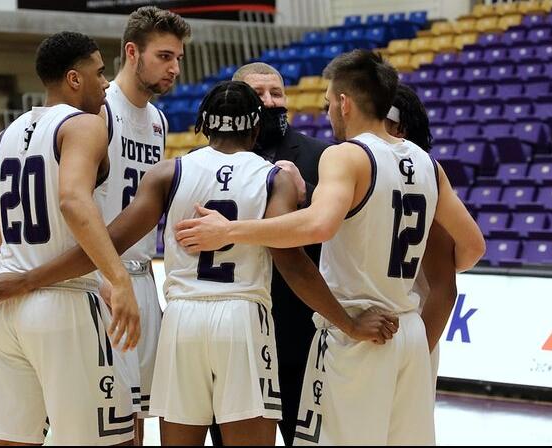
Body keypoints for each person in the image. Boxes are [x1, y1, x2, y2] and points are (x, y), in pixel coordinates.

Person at [0, 80, 394, 446]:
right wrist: (350, 323)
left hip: (182, 322)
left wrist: (31, 278)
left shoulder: (168, 174)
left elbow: (105, 243)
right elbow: (294, 264)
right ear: (254, 127)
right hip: (242, 319)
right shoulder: (275, 178)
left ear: (204, 125)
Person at [173, 50, 486, 445]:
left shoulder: (346, 155)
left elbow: (318, 226)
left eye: (327, 103)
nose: (327, 114)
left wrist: (230, 230)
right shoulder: (427, 164)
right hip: (407, 329)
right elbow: (473, 247)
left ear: (344, 102)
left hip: (357, 330)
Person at [0, 31, 140, 446]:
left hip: (4, 309)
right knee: (112, 439)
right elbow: (72, 200)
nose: (106, 83)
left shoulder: (6, 136)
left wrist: (13, 241)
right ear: (74, 79)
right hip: (64, 304)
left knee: (16, 440)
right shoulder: (84, 125)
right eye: (100, 73)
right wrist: (119, 279)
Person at [209, 62, 327, 447]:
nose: (270, 101)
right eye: (259, 94)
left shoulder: (321, 155)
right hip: (230, 338)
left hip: (297, 334)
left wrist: (305, 191)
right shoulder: (205, 163)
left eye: (277, 93)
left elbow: (337, 226)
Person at [93, 6, 190, 440]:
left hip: (143, 275)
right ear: (132, 52)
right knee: (104, 417)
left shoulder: (158, 121)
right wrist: (102, 275)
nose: (174, 69)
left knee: (139, 417)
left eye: (177, 59)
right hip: (101, 276)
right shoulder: (100, 110)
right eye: (164, 57)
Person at [386, 83, 458, 392]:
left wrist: (419, 351)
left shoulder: (423, 180)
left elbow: (447, 284)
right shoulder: (364, 171)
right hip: (373, 333)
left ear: (398, 127)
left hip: (410, 330)